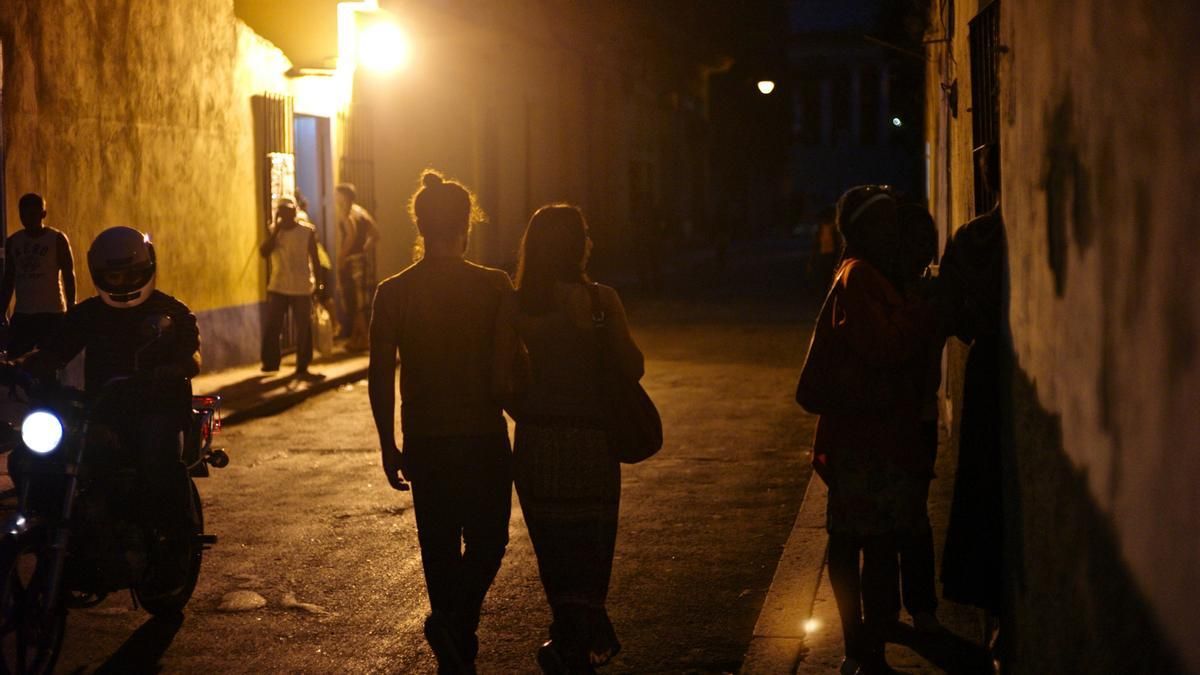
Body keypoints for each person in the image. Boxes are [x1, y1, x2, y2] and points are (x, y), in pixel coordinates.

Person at [368, 171, 516, 675]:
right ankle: (456, 629)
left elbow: (380, 377)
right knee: (490, 541)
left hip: (425, 440)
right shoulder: (495, 286)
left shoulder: (393, 293)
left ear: (420, 225)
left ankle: (453, 631)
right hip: (483, 437)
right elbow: (508, 371)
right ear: (467, 227)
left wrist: (388, 444)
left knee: (437, 546)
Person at [493, 204, 643, 673]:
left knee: (554, 553)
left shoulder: (518, 304)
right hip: (593, 444)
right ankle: (577, 644)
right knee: (591, 552)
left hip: (539, 444)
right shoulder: (602, 301)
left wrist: (534, 411)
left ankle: (567, 639)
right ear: (579, 245)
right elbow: (633, 367)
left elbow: (500, 381)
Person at [17, 226, 201, 590]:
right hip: (103, 407)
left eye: (132, 274)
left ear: (149, 268)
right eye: (114, 275)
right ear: (99, 274)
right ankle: (58, 536)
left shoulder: (171, 311)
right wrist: (21, 366)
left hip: (156, 408)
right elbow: (56, 351)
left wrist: (174, 368)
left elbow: (193, 356)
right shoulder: (88, 314)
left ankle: (173, 543)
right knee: (31, 457)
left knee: (154, 457)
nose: (123, 282)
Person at [810, 185, 934, 675]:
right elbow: (882, 348)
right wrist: (920, 313)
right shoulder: (861, 277)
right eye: (883, 225)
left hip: (858, 434)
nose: (892, 234)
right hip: (866, 437)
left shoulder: (858, 272)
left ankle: (860, 648)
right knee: (871, 541)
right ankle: (864, 649)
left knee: (852, 538)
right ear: (863, 229)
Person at [939, 144, 1008, 637]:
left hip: (987, 367)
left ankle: (985, 597)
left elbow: (953, 313)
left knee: (982, 478)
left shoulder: (973, 238)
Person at [893, 203, 944, 634]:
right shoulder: (929, 292)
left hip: (905, 415)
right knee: (911, 515)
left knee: (900, 516)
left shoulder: (910, 293)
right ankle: (919, 608)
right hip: (916, 415)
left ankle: (901, 608)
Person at [0, 193, 76, 358]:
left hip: (52, 313)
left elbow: (69, 274)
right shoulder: (14, 241)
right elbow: (9, 279)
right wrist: (2, 311)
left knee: (51, 362)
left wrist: (71, 307)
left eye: (33, 213)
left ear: (43, 214)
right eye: (24, 213)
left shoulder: (56, 239)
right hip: (23, 313)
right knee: (14, 362)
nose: (28, 218)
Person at [260, 197, 322, 379]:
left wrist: (319, 284)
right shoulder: (275, 232)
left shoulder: (307, 231)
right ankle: (270, 363)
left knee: (304, 328)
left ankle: (303, 365)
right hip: (278, 285)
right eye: (282, 212)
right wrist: (277, 229)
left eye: (289, 211)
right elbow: (264, 252)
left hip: (302, 287)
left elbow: (315, 259)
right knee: (273, 326)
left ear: (295, 212)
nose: (286, 216)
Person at [336, 183, 381, 351]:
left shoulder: (346, 213)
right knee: (359, 301)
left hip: (350, 261)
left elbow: (350, 233)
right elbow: (375, 234)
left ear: (345, 197)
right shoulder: (361, 211)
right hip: (361, 260)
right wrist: (363, 249)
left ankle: (364, 340)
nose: (336, 198)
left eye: (338, 195)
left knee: (353, 302)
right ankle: (356, 339)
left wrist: (342, 256)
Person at [808, 204, 842, 294]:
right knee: (824, 277)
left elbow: (838, 243)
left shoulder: (833, 228)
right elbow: (816, 244)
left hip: (831, 255)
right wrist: (812, 260)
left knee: (830, 276)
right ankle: (826, 294)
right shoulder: (821, 228)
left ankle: (830, 293)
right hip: (823, 255)